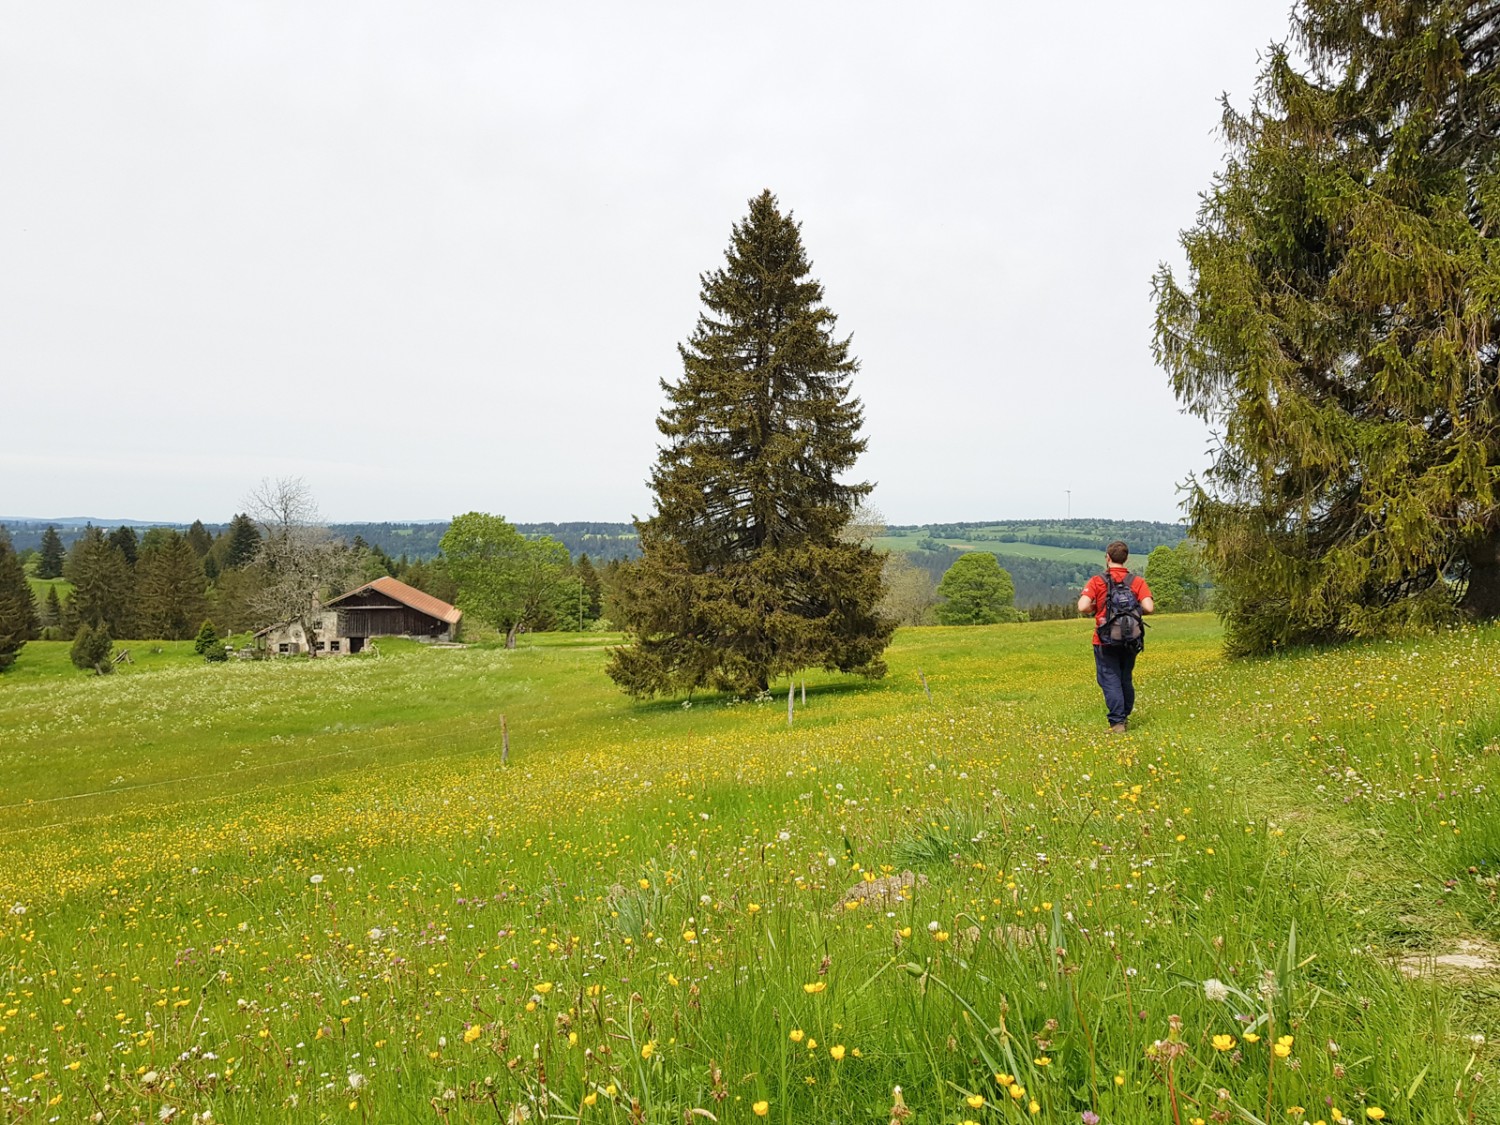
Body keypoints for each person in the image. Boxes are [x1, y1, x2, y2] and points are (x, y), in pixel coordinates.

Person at [1077, 540, 1155, 733]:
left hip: (1104, 640)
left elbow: (1082, 606)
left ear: (1108, 557)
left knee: (1109, 678)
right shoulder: (1137, 581)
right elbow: (1149, 608)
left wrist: (1098, 608)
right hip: (1131, 639)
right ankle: (1124, 717)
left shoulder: (1098, 581)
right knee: (1124, 678)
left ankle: (1117, 723)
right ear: (1126, 558)